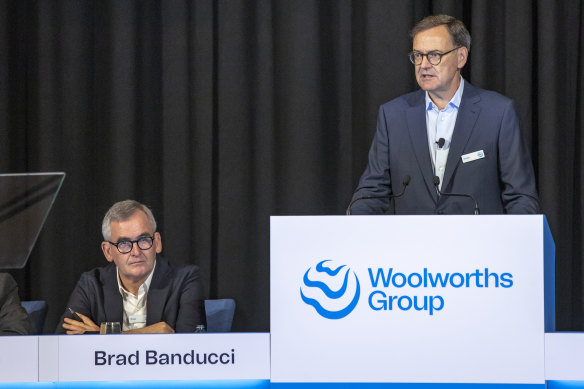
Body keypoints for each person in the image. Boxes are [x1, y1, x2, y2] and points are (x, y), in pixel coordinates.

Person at [349, 15, 540, 215]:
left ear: (461, 57)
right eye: (418, 55)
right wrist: (351, 223)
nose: (423, 65)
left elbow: (521, 197)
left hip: (478, 244)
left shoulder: (498, 113)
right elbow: (371, 193)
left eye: (434, 55)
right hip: (413, 244)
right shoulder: (393, 115)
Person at [56, 200, 204, 334]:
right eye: (124, 244)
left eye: (144, 240)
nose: (136, 252)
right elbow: (63, 343)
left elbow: (190, 345)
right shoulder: (91, 285)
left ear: (157, 242)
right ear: (108, 251)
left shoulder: (185, 279)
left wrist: (100, 335)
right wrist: (145, 334)